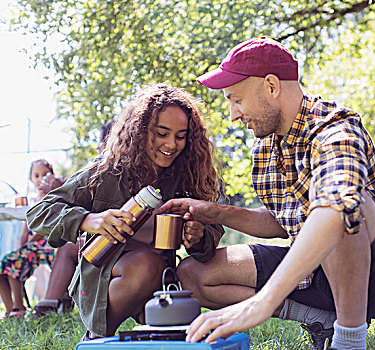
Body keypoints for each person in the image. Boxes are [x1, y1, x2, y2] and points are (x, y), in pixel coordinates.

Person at [159, 37, 375, 350]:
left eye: (237, 100)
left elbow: (337, 206)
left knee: (337, 202)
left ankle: (350, 340)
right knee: (194, 274)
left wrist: (260, 303)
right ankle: (321, 319)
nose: (234, 113)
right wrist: (216, 213)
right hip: (320, 269)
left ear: (272, 87)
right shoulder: (265, 147)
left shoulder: (334, 128)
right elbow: (281, 222)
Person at [26, 83, 225, 339]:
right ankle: (98, 338)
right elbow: (39, 213)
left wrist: (198, 238)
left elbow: (213, 232)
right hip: (105, 280)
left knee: (165, 276)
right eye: (161, 133)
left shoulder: (187, 178)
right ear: (141, 131)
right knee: (145, 263)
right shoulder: (107, 174)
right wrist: (89, 220)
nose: (171, 144)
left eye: (180, 135)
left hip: (164, 282)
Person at [33, 120, 114, 317]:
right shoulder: (105, 168)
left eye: (102, 141)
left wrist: (61, 187)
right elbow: (37, 216)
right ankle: (57, 301)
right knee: (67, 245)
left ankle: (52, 303)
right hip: (111, 236)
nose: (97, 147)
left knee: (68, 247)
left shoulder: (109, 169)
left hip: (117, 240)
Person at [0, 159, 65, 319]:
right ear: (31, 179)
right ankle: (13, 309)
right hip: (33, 247)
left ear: (52, 176)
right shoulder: (30, 201)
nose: (40, 179)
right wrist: (22, 246)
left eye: (45, 175)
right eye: (36, 175)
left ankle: (20, 306)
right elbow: (25, 229)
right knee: (7, 262)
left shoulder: (54, 195)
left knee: (16, 261)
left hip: (50, 244)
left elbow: (46, 229)